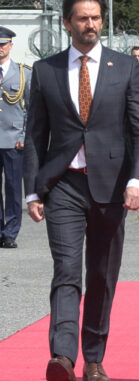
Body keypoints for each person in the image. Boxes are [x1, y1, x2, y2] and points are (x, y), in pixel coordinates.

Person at [23, 1, 139, 380]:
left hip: (112, 186)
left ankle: (94, 359)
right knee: (66, 271)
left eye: (96, 18)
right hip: (63, 185)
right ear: (67, 24)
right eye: (83, 18)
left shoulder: (125, 67)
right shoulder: (45, 71)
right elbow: (34, 135)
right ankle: (62, 357)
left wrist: (138, 181)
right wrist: (33, 191)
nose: (92, 24)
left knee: (100, 273)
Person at [0, 26, 31, 249]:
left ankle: (10, 232)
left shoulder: (23, 73)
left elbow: (32, 108)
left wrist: (25, 135)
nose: (0, 48)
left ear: (11, 45)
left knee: (12, 188)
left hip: (13, 139)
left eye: (3, 44)